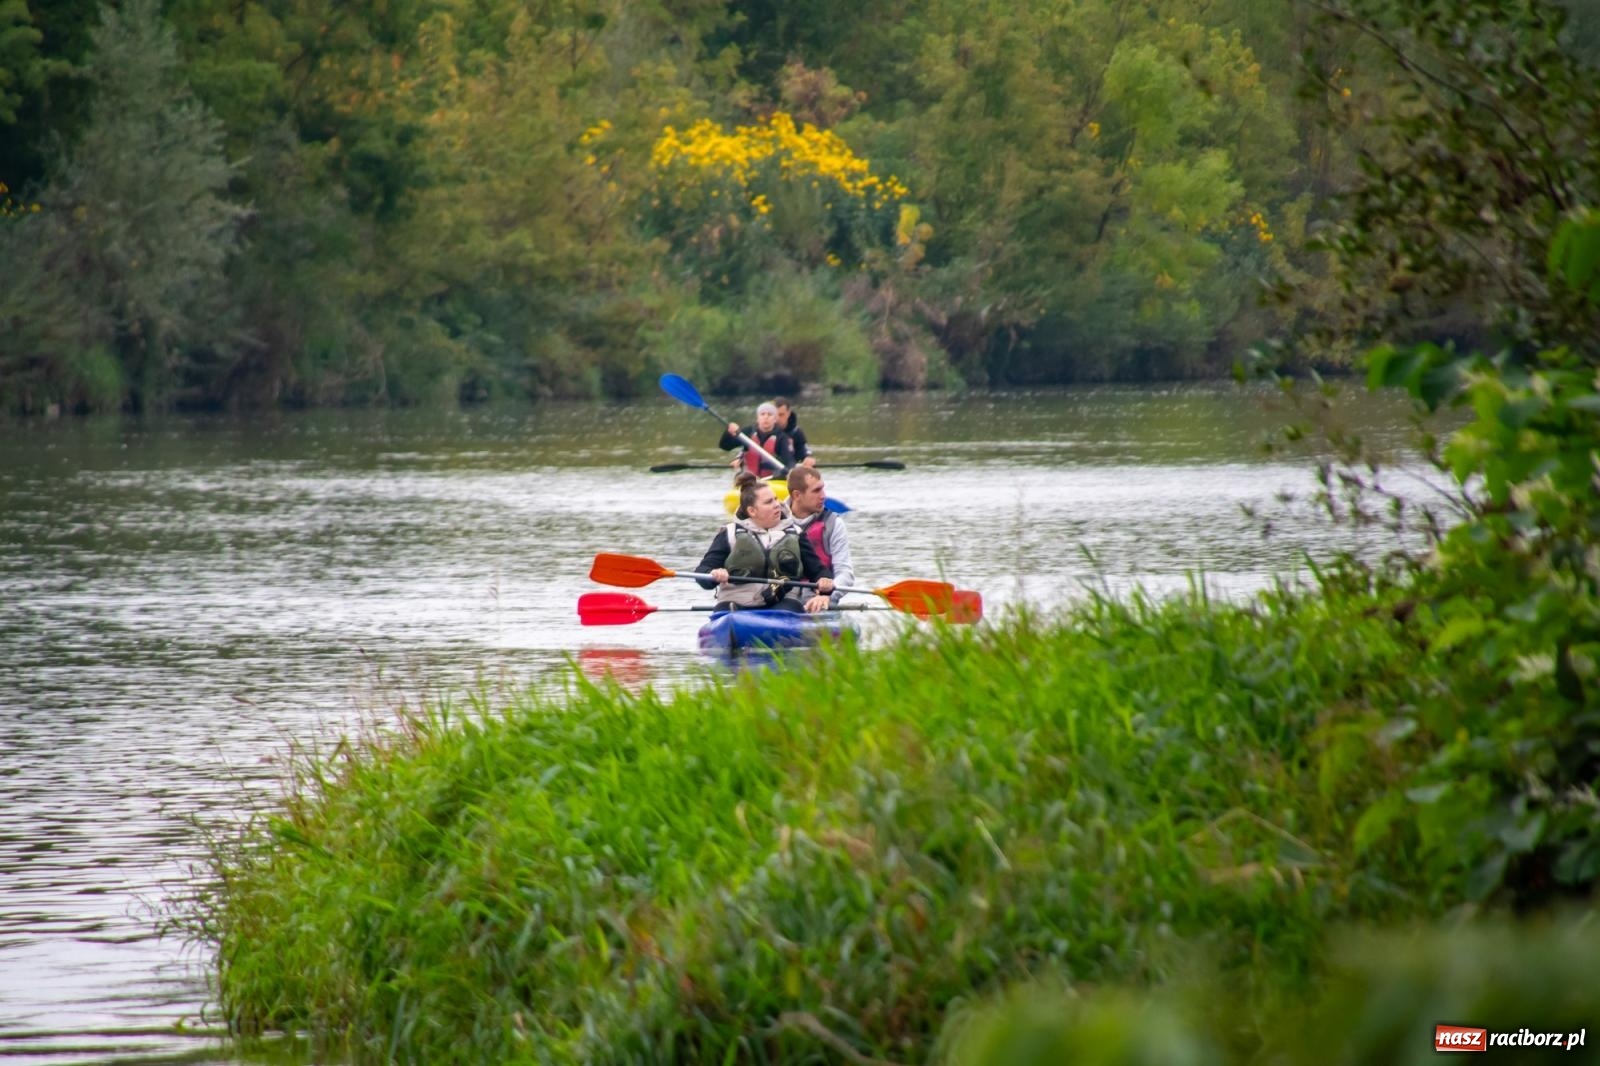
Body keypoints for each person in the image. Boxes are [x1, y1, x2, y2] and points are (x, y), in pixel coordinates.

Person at [696, 478, 834, 612]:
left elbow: (817, 571)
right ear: (752, 511)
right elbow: (702, 573)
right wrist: (713, 574)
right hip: (736, 602)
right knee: (727, 610)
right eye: (769, 502)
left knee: (787, 610)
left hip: (783, 603)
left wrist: (824, 582)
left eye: (776, 499)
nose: (777, 504)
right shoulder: (729, 534)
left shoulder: (796, 534)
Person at [785, 465, 854, 607]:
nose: (823, 496)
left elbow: (845, 574)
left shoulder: (833, 524)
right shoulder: (774, 518)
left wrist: (826, 595)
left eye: (822, 489)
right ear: (797, 495)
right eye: (816, 491)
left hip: (821, 600)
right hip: (783, 599)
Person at [720, 401, 795, 476]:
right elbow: (725, 446)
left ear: (775, 419)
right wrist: (728, 432)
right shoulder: (748, 432)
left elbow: (789, 461)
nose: (766, 417)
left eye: (770, 414)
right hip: (748, 479)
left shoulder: (782, 438)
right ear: (758, 418)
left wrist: (787, 471)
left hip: (771, 479)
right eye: (762, 414)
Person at [773, 397, 816, 467]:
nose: (778, 419)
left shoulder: (796, 432)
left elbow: (804, 450)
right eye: (775, 415)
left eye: (781, 415)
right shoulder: (762, 431)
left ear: (788, 413)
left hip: (790, 469)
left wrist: (808, 457)